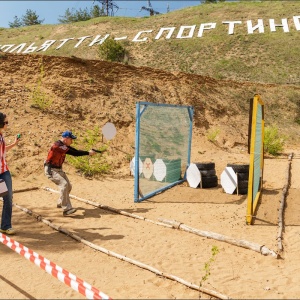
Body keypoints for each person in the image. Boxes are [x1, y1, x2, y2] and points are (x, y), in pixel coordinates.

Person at [44, 131, 96, 216]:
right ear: (66, 139)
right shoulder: (58, 146)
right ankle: (66, 209)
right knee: (64, 185)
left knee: (68, 186)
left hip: (58, 169)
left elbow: (74, 150)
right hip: (51, 169)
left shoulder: (63, 145)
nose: (72, 141)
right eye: (71, 139)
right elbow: (74, 153)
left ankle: (60, 202)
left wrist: (88, 152)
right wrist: (88, 153)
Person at [0, 112, 20, 235]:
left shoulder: (1, 136)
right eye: (5, 122)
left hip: (4, 171)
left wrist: (14, 143)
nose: (7, 124)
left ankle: (5, 226)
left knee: (8, 197)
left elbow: (3, 149)